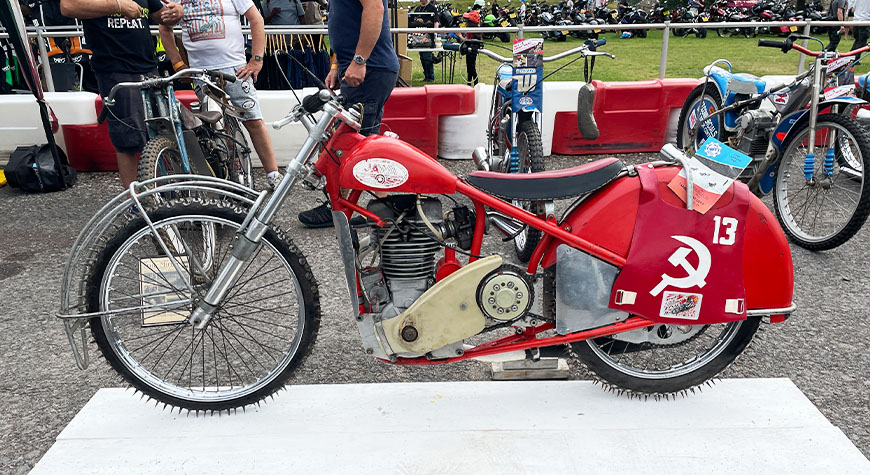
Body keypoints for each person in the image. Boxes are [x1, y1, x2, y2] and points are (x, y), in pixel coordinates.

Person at [157, 0, 285, 190]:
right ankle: (231, 176)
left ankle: (273, 174)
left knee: (253, 121)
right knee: (215, 128)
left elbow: (256, 19)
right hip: (201, 74)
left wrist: (257, 60)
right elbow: (164, 29)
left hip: (235, 70)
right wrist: (178, 64)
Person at [297, 0, 400, 228]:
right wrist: (337, 66)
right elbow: (346, 24)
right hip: (364, 68)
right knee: (366, 141)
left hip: (369, 69)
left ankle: (339, 207)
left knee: (352, 143)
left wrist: (359, 61)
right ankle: (384, 207)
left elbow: (375, 9)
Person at [60, 0, 183, 188]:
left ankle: (163, 191)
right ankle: (133, 202)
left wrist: (176, 13)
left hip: (148, 65)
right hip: (114, 68)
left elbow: (161, 15)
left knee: (162, 132)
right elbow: (67, 6)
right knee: (128, 139)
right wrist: (118, 6)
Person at [412, 0, 439, 82]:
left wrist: (435, 33)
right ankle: (426, 75)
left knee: (427, 57)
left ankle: (430, 77)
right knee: (422, 57)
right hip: (418, 37)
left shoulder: (433, 8)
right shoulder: (417, 9)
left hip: (429, 37)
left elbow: (436, 21)